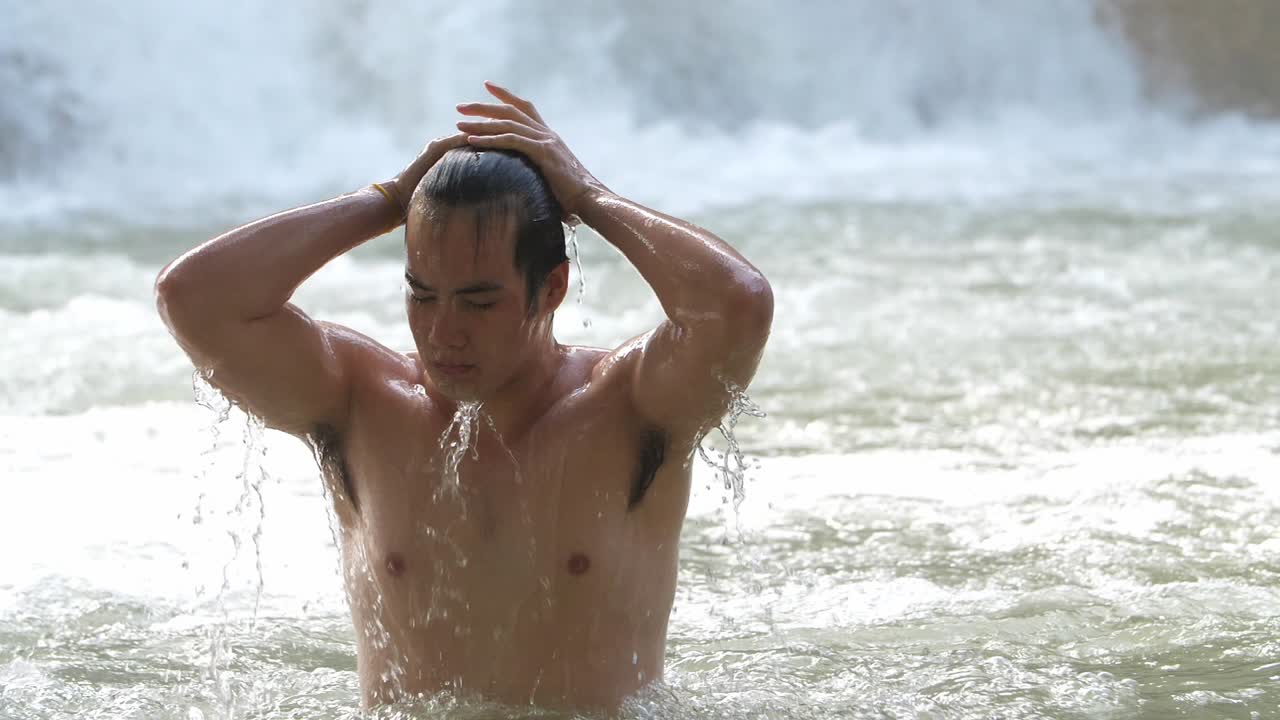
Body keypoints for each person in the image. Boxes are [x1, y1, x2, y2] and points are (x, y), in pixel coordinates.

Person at [154, 81, 773, 713]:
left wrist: (589, 196)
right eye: (422, 295)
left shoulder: (626, 408)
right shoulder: (358, 401)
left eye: (479, 302)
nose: (442, 332)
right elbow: (194, 298)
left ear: (552, 288)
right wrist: (387, 200)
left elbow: (736, 304)